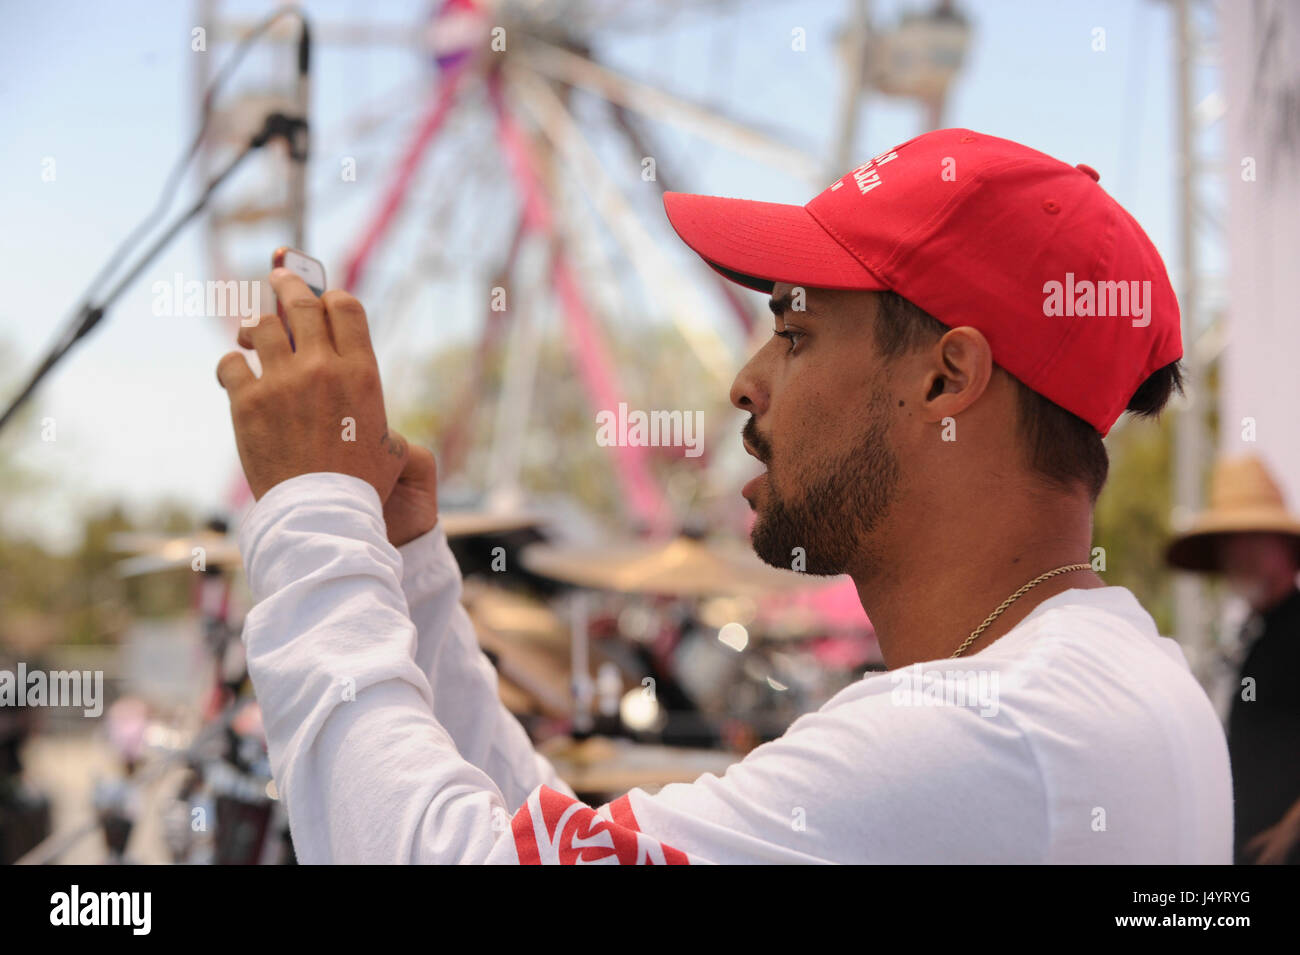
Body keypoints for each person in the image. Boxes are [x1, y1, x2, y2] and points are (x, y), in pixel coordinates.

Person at [216, 127, 1231, 863]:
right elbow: (565, 849)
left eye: (793, 334)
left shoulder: (978, 732)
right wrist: (410, 576)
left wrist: (310, 506)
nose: (745, 381)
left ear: (946, 379)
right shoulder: (1116, 680)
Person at [1166, 455, 1300, 864]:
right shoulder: (1253, 635)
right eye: (1228, 541)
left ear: (1284, 546)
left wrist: (1293, 828)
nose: (1236, 554)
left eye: (1252, 538)